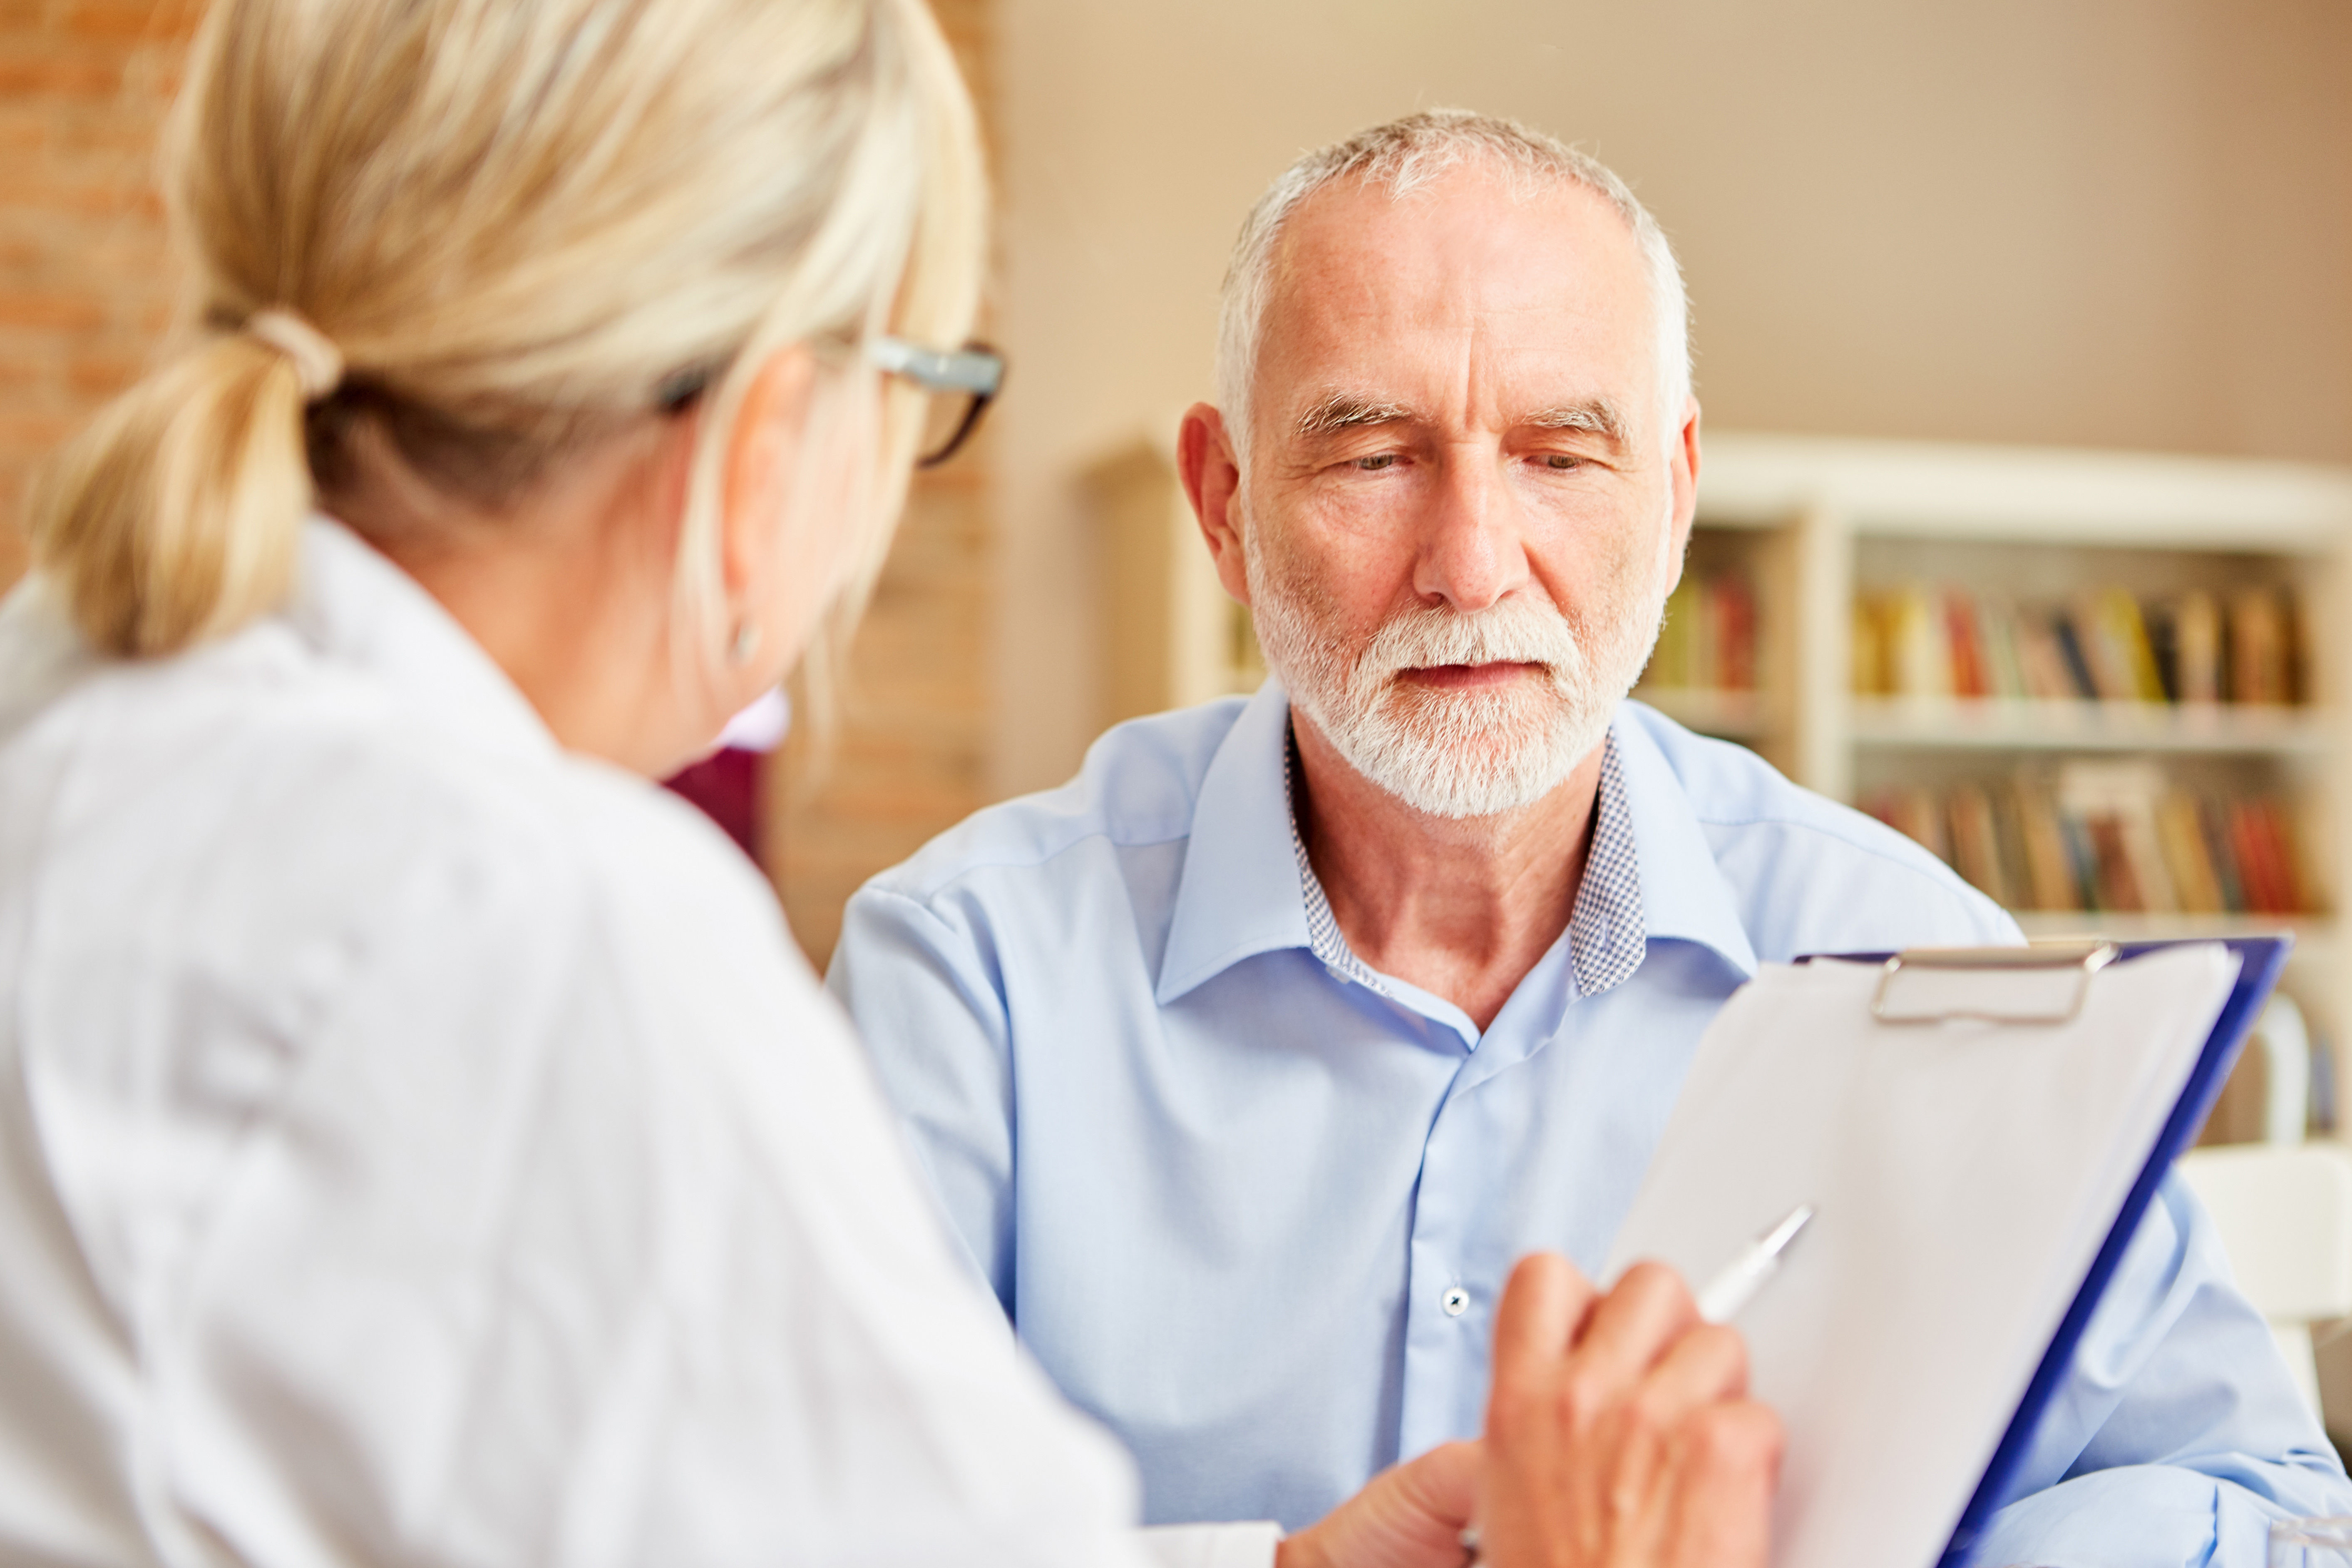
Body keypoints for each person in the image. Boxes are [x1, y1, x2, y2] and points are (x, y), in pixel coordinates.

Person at [0, 5, 1789, 1567]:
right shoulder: (555, 940)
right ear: (778, 430)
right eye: (925, 390)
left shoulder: (74, 729)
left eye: (1561, 451)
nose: (1472, 559)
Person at [830, 109, 2352, 1564]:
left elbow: (2264, 1504)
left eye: (1561, 454)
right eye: (1373, 455)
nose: (1473, 561)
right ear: (1224, 501)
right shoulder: (973, 972)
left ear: (1677, 494)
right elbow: (780, 1527)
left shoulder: (1917, 963)